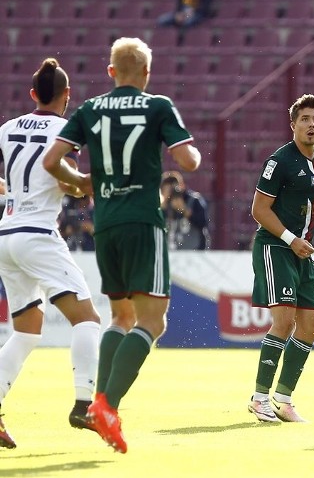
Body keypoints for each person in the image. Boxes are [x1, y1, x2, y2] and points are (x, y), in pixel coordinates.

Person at [42, 37, 201, 453]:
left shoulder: (90, 109)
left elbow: (51, 159)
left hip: (106, 223)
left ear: (111, 72)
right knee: (154, 321)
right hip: (143, 222)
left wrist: (80, 183)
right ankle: (107, 405)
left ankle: (98, 400)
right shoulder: (158, 105)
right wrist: (191, 154)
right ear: (146, 74)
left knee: (121, 316)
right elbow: (188, 162)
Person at [0, 58, 101, 449]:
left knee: (26, 330)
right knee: (88, 319)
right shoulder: (65, 129)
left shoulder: (8, 128)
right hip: (37, 234)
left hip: (5, 235)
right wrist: (97, 183)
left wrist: (10, 191)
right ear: (67, 96)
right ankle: (83, 404)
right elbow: (72, 184)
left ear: (31, 95)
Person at [247, 94, 314, 425]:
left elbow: (311, 204)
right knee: (284, 322)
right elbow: (258, 210)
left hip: (301, 250)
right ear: (292, 125)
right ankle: (259, 398)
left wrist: (304, 241)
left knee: (311, 325)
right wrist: (291, 239)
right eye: (305, 119)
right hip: (276, 246)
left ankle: (283, 398)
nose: (311, 124)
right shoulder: (279, 161)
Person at [160, 171, 210, 250]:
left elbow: (203, 223)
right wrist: (163, 206)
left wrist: (185, 211)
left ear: (182, 185)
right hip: (172, 250)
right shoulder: (164, 205)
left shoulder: (194, 200)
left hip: (195, 250)